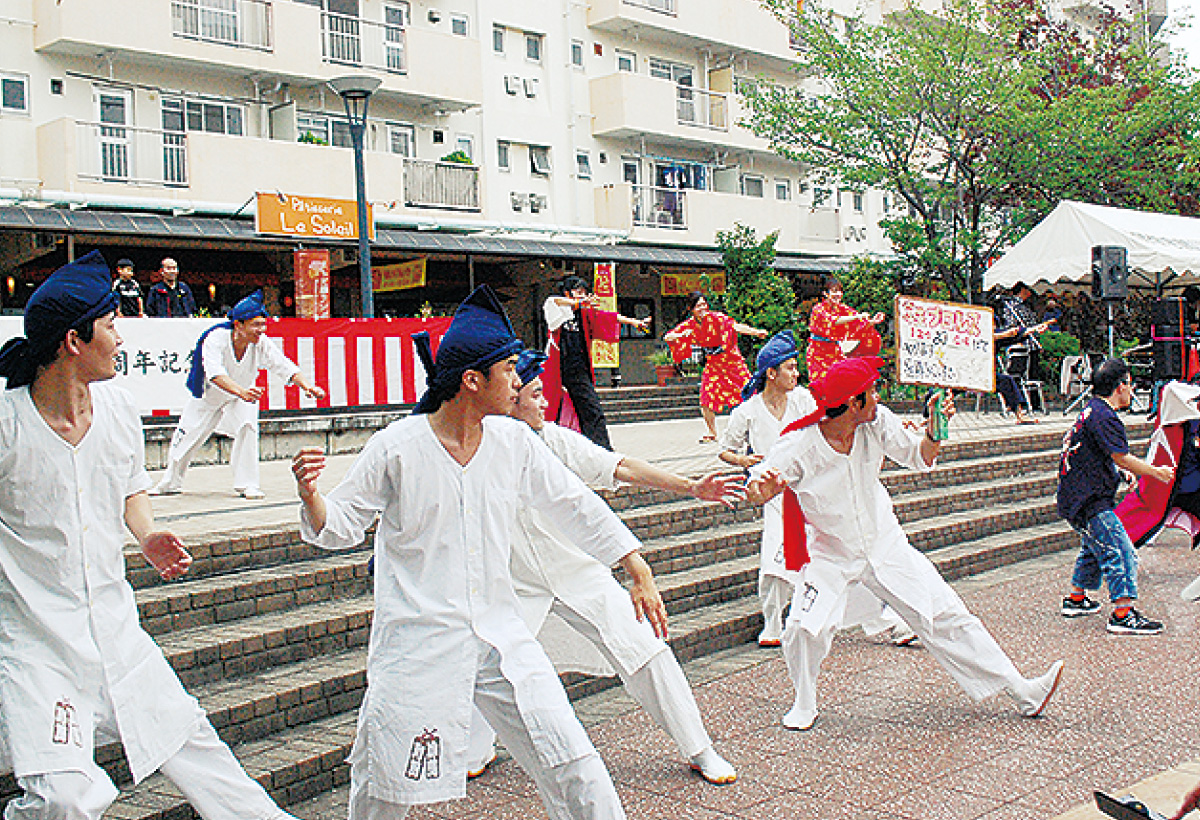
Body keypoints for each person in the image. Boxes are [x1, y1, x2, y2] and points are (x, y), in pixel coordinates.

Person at [291, 285, 638, 820]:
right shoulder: (397, 447)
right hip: (418, 641)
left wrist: (633, 562)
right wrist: (311, 495)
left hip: (502, 636)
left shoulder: (513, 443)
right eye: (509, 370)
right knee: (385, 783)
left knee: (573, 759)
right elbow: (338, 526)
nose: (519, 381)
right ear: (472, 380)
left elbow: (573, 503)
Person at [0, 251, 299, 820]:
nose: (121, 338)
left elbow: (131, 489)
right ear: (73, 341)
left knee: (197, 749)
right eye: (111, 325)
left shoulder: (116, 407)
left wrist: (148, 533)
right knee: (63, 799)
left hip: (117, 632)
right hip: (38, 647)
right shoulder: (6, 422)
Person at [466, 347, 739, 788]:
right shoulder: (476, 448)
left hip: (578, 572)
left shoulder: (556, 441)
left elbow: (619, 467)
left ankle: (699, 748)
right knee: (489, 662)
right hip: (513, 581)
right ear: (508, 399)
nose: (543, 403)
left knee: (646, 648)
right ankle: (473, 751)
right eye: (534, 395)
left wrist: (691, 486)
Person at [746, 356, 1065, 731]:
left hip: (885, 544)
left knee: (947, 614)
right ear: (852, 403)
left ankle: (1023, 691)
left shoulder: (876, 422)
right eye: (872, 392)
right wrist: (761, 490)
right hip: (829, 553)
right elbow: (760, 483)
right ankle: (804, 701)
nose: (878, 397)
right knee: (802, 628)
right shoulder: (800, 443)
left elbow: (920, 455)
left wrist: (935, 431)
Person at [719, 331, 913, 648]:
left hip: (811, 490)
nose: (796, 374)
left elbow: (831, 419)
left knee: (849, 557)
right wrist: (744, 461)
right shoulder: (747, 411)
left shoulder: (802, 399)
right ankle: (773, 623)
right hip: (775, 493)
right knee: (775, 561)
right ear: (771, 373)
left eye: (796, 367)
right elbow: (726, 451)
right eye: (790, 368)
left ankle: (889, 622)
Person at [153, 290, 324, 499]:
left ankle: (247, 484)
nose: (261, 330)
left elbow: (283, 365)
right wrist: (241, 391)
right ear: (238, 325)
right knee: (187, 436)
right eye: (256, 325)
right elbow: (215, 374)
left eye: (263, 324)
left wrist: (307, 386)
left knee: (248, 427)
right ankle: (171, 482)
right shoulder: (215, 339)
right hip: (211, 395)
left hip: (243, 395)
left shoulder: (261, 342)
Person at [1057, 358, 1173, 634]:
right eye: (1130, 384)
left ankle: (1076, 599)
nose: (1131, 390)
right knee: (1120, 551)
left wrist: (1121, 473)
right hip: (1089, 500)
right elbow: (1120, 456)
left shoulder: (1091, 410)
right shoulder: (1105, 417)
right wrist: (1156, 472)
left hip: (1074, 496)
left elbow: (1097, 454)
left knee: (1094, 546)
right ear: (1120, 386)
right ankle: (1123, 613)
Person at [543, 275, 648, 450]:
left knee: (590, 408)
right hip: (557, 368)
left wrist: (634, 322)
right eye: (578, 291)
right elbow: (552, 301)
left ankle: (599, 448)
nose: (583, 294)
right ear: (567, 292)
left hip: (578, 369)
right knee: (553, 408)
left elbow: (608, 317)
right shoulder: (557, 309)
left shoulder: (585, 313)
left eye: (584, 291)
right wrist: (578, 303)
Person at [664, 292, 767, 443]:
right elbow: (667, 337)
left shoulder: (717, 318)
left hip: (731, 361)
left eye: (704, 304)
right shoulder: (690, 325)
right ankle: (712, 432)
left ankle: (755, 428)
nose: (702, 308)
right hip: (713, 364)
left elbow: (735, 326)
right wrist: (681, 335)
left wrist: (755, 332)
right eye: (698, 306)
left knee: (747, 394)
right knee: (706, 399)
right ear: (691, 309)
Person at [805, 275, 884, 382]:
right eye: (834, 291)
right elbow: (833, 321)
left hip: (835, 351)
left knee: (840, 381)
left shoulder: (843, 308)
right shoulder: (818, 309)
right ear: (826, 293)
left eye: (840, 291)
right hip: (818, 352)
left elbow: (859, 324)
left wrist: (872, 321)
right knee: (820, 383)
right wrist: (857, 317)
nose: (838, 294)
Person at [994, 282, 1051, 424]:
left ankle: (1019, 415)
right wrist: (1006, 333)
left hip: (988, 374)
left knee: (1007, 381)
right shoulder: (980, 335)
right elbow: (998, 334)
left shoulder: (998, 337)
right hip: (968, 370)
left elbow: (1016, 334)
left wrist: (1035, 329)